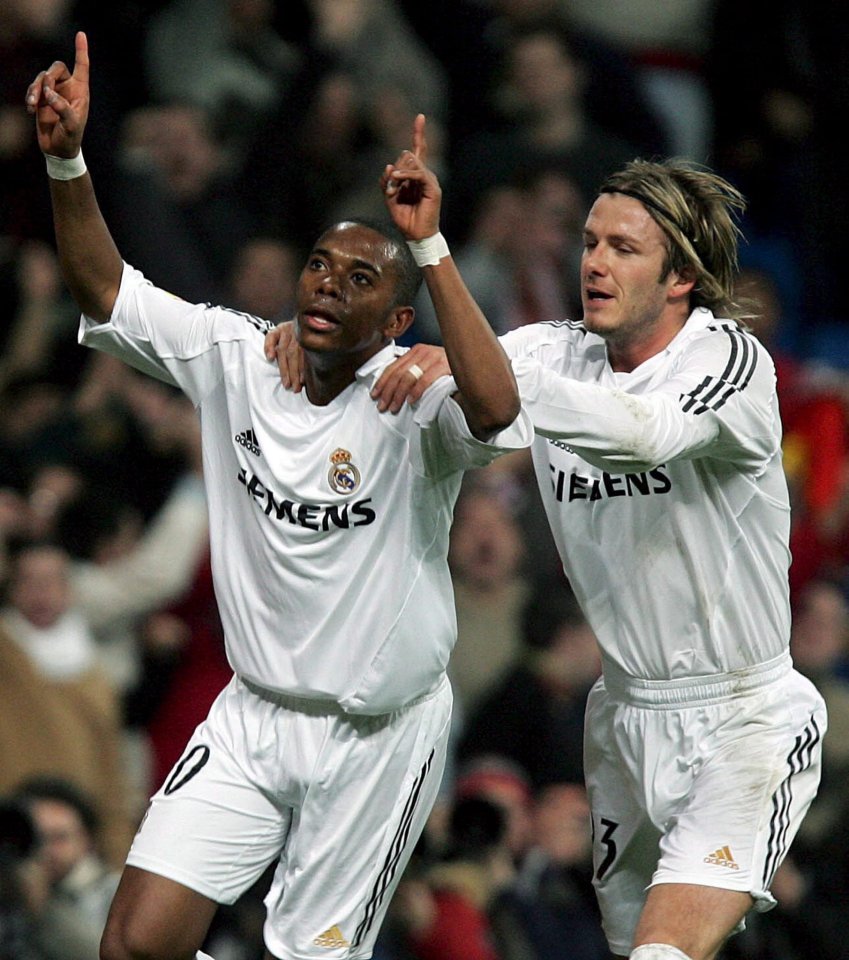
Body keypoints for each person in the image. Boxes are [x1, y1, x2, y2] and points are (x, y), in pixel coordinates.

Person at [25, 31, 530, 960]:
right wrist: (66, 159)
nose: (329, 287)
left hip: (376, 738)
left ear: (397, 320)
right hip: (252, 715)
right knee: (131, 946)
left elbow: (498, 409)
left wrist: (430, 243)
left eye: (361, 279)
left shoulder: (417, 393)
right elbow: (106, 290)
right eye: (319, 268)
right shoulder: (238, 357)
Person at [270, 155, 828, 959]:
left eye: (623, 249)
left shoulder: (727, 364)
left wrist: (485, 369)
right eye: (589, 241)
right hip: (623, 717)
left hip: (743, 717)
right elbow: (437, 382)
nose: (594, 262)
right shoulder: (547, 352)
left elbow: (643, 436)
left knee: (663, 953)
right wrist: (306, 349)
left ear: (679, 278)